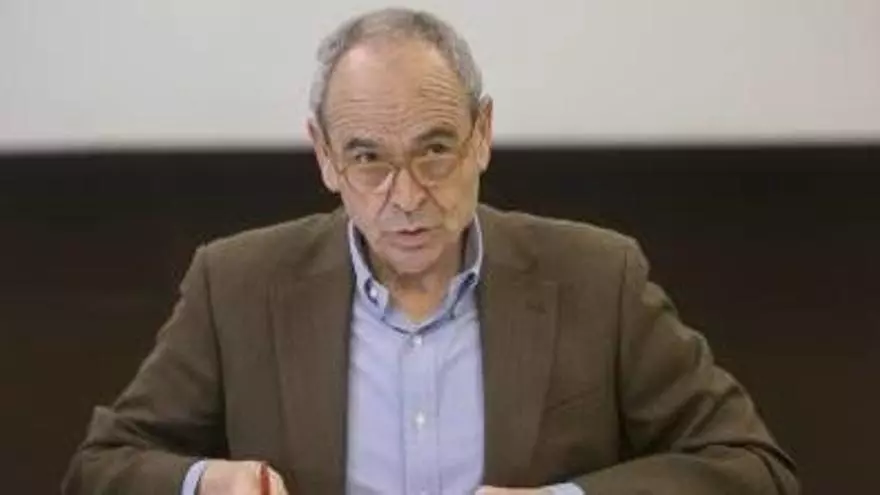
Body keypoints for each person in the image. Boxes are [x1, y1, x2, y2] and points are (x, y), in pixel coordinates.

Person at [62, 7, 799, 495]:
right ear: (324, 157)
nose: (408, 195)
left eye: (435, 149)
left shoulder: (597, 278)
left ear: (483, 135)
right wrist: (204, 482)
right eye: (369, 159)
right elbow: (100, 467)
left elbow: (753, 468)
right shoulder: (236, 285)